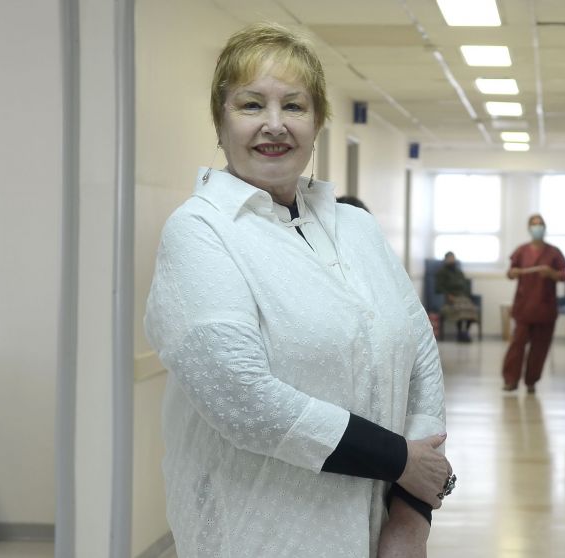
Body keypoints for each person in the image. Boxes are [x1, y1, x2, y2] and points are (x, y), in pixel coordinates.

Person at [144, 23, 453, 558]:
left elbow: (419, 356)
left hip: (378, 532)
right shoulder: (201, 230)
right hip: (260, 533)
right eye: (250, 105)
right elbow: (241, 398)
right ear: (220, 121)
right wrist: (400, 461)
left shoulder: (354, 227)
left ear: (318, 122)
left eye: (294, 105)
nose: (274, 125)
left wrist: (410, 517)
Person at [502, 214, 565, 394]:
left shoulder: (554, 252)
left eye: (540, 224)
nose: (537, 227)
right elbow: (510, 273)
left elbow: (563, 275)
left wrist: (551, 274)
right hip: (524, 306)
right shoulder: (521, 251)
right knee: (517, 345)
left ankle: (531, 381)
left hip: (545, 307)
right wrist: (513, 273)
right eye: (534, 224)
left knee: (540, 347)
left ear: (545, 228)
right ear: (529, 228)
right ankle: (510, 380)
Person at [434, 251, 479, 342]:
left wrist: (466, 295)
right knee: (460, 309)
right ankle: (460, 333)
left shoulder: (459, 272)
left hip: (463, 297)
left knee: (471, 309)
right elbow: (439, 287)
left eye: (453, 258)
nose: (451, 260)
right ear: (446, 260)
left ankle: (465, 332)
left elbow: (465, 285)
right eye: (449, 258)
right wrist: (447, 295)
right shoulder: (441, 273)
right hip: (450, 298)